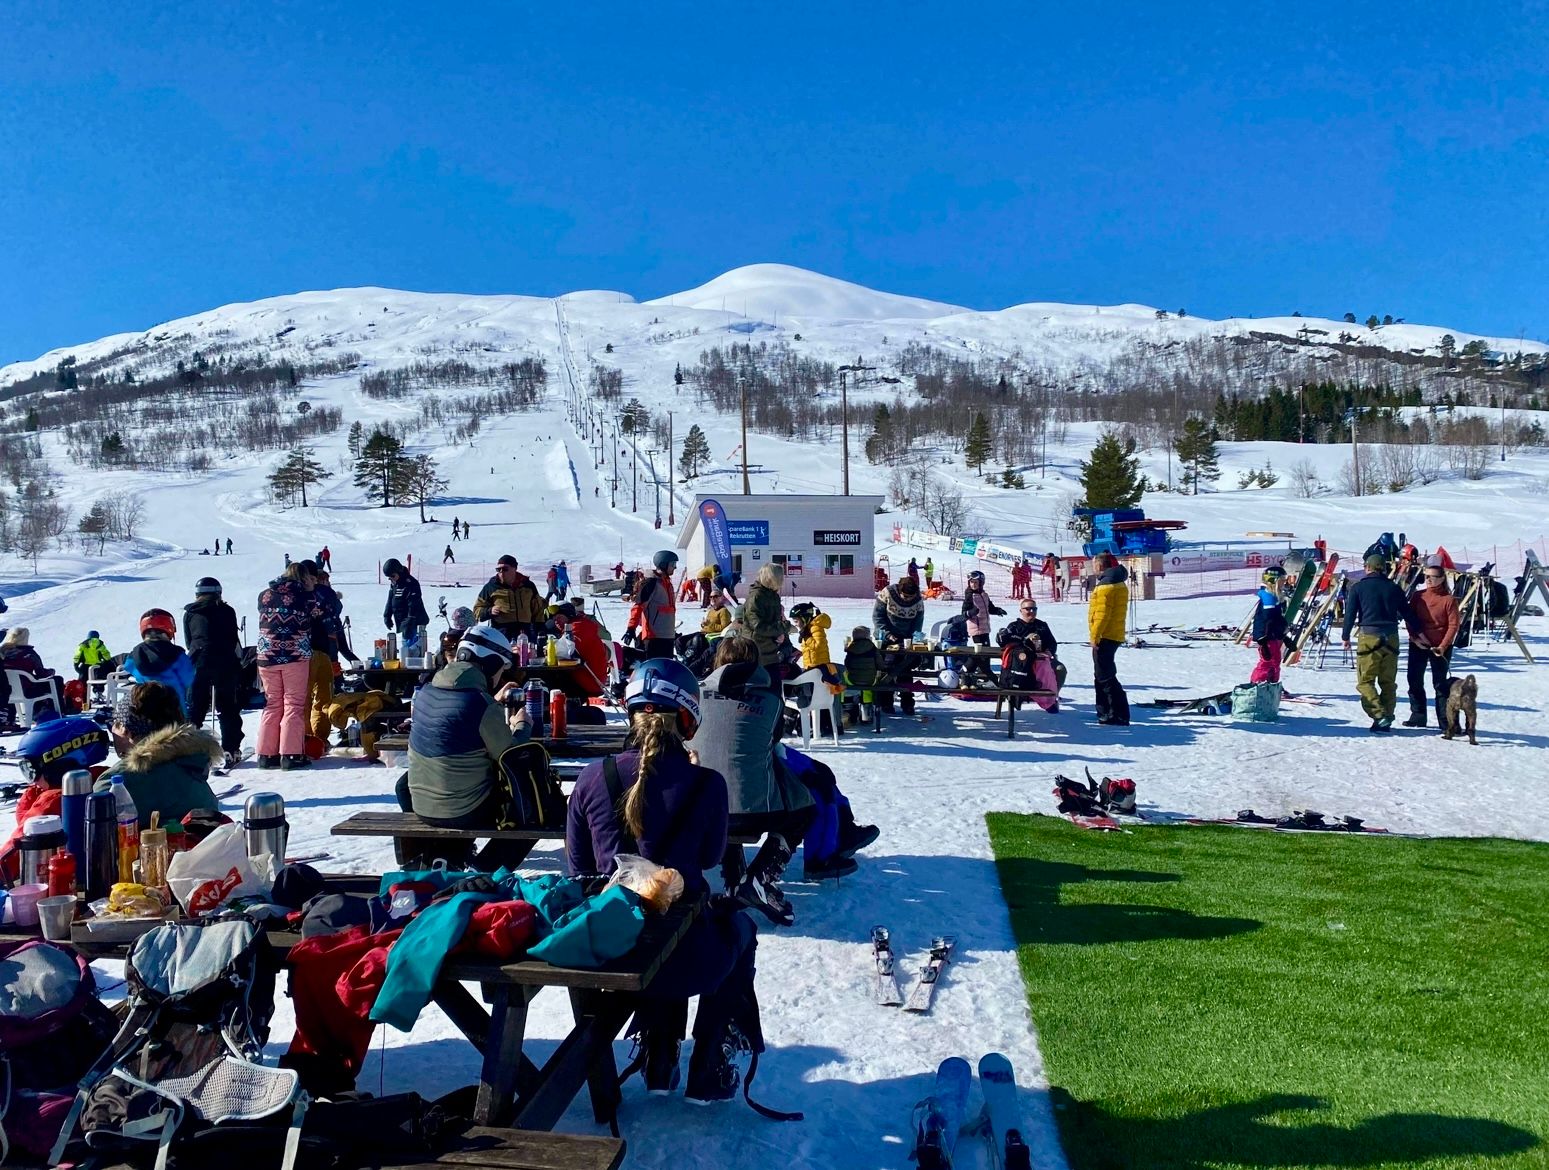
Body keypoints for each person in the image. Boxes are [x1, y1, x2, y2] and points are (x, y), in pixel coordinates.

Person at [567, 658, 766, 1105]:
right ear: (688, 717)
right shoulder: (707, 784)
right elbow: (712, 857)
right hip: (684, 954)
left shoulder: (593, 775)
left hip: (608, 950)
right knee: (737, 928)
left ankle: (660, 1050)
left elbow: (578, 867)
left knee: (657, 926)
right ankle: (708, 1061)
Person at [399, 622, 531, 862]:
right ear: (489, 664)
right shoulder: (481, 705)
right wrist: (522, 725)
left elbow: (457, 715)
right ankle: (485, 870)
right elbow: (512, 756)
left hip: (422, 805)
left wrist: (491, 700)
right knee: (532, 812)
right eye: (500, 670)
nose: (500, 676)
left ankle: (450, 857)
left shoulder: (427, 692)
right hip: (463, 810)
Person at [100, 681, 221, 829]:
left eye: (115, 723)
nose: (112, 729)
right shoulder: (190, 761)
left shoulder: (121, 782)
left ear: (127, 730)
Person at [257, 560, 326, 769]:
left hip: (266, 654)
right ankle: (291, 754)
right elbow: (321, 614)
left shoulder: (264, 595)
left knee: (272, 703)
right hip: (295, 654)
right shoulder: (306, 597)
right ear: (304, 577)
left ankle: (265, 755)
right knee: (293, 705)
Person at [1341, 553, 1418, 733]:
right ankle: (1386, 718)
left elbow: (1350, 615)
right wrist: (1420, 632)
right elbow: (1407, 613)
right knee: (1388, 682)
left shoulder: (1358, 588)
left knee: (1365, 681)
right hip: (1391, 637)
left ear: (1367, 567)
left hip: (1369, 637)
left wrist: (1345, 636)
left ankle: (1379, 715)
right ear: (1384, 568)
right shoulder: (1394, 588)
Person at [184, 577, 245, 769]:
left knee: (196, 707)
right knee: (227, 706)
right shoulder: (227, 611)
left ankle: (188, 749)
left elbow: (188, 641)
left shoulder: (190, 613)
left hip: (199, 661)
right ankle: (231, 748)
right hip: (225, 661)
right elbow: (233, 639)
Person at [310, 569, 362, 747]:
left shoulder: (313, 594)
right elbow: (337, 609)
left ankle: (316, 737)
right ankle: (320, 736)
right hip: (326, 647)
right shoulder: (323, 594)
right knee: (324, 696)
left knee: (318, 698)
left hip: (327, 645)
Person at [1405, 556, 1459, 728]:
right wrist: (1415, 638)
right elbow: (1410, 619)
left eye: (1432, 577)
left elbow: (1453, 625)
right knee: (1414, 679)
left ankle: (1445, 721)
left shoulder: (1448, 600)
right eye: (1426, 576)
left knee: (1440, 684)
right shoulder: (1418, 596)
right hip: (1419, 644)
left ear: (1441, 579)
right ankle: (1418, 715)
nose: (1428, 580)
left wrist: (1443, 646)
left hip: (1439, 646)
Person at [123, 611, 196, 716]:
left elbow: (128, 666)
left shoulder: (135, 653)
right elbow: (188, 679)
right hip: (175, 708)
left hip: (145, 708)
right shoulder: (177, 654)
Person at [1087, 553, 1130, 725]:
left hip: (1106, 635)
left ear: (1100, 566)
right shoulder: (1117, 582)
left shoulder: (1106, 586)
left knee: (1105, 676)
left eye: (1094, 565)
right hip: (1112, 634)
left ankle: (1117, 713)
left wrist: (1095, 636)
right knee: (1101, 674)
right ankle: (1104, 709)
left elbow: (1102, 616)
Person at [873, 576, 925, 715]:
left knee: (906, 667)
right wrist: (887, 634)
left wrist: (914, 637)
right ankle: (886, 702)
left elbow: (918, 621)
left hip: (906, 638)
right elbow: (878, 617)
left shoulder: (918, 600)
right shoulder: (887, 593)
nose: (908, 599)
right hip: (887, 637)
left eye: (911, 596)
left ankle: (907, 702)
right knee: (888, 667)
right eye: (906, 596)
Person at [997, 598, 1065, 689]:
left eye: (1034, 609)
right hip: (1022, 662)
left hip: (1042, 660)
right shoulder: (1014, 626)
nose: (1031, 611)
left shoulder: (1042, 626)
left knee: (1060, 669)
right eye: (1028, 609)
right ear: (1021, 611)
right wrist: (1025, 640)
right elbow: (1005, 644)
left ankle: (1053, 695)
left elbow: (1052, 643)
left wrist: (1048, 652)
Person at [472, 554, 545, 640]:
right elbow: (477, 610)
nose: (501, 572)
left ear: (514, 568)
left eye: (505, 569)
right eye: (498, 570)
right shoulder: (491, 587)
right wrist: (489, 611)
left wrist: (540, 630)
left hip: (526, 632)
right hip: (502, 633)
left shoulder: (528, 585)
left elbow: (538, 610)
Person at [740, 563, 790, 680]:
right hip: (756, 651)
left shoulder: (773, 595)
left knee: (774, 687)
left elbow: (776, 620)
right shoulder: (756, 597)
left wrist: (781, 634)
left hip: (771, 650)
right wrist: (782, 628)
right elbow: (758, 626)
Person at [627, 550, 680, 659]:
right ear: (663, 565)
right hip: (654, 637)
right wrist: (631, 628)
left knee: (665, 669)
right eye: (673, 564)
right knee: (654, 669)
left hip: (668, 635)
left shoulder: (667, 583)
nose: (675, 567)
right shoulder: (651, 583)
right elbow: (638, 606)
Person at [552, 601, 610, 697]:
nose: (556, 621)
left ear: (568, 615)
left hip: (588, 680)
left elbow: (563, 653)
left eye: (559, 617)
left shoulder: (578, 627)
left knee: (549, 679)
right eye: (554, 619)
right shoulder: (581, 625)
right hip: (592, 678)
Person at [961, 570, 1006, 681]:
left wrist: (998, 610)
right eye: (971, 582)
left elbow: (990, 608)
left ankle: (979, 674)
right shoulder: (969, 596)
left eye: (976, 582)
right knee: (982, 653)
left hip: (985, 628)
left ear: (981, 583)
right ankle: (970, 671)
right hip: (975, 629)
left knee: (986, 653)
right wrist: (971, 612)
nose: (973, 585)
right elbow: (964, 613)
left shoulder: (984, 595)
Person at [1249, 566, 1288, 685]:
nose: (1284, 583)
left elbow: (1276, 619)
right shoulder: (1268, 597)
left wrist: (1283, 635)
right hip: (1266, 637)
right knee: (1268, 661)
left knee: (1275, 659)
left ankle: (1272, 683)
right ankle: (1257, 682)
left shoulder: (1274, 596)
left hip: (1272, 635)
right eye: (1282, 580)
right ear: (1273, 581)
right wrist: (1263, 640)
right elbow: (1268, 620)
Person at [381, 557, 430, 651]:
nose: (391, 579)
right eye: (389, 578)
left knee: (412, 652)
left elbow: (414, 603)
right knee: (406, 650)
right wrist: (387, 616)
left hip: (415, 623)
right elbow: (391, 599)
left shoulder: (411, 583)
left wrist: (410, 620)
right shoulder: (395, 583)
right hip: (404, 623)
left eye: (393, 576)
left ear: (399, 571)